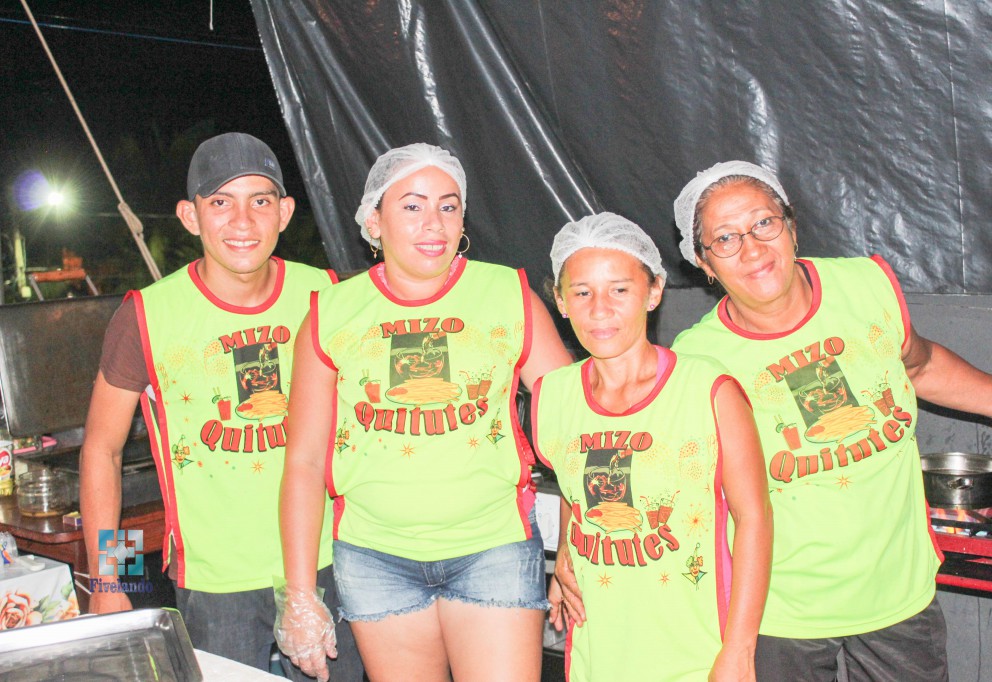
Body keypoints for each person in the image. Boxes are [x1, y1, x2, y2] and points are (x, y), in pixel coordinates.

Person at [669, 161, 992, 681]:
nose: (752, 247)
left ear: (792, 226)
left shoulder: (864, 287)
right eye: (724, 238)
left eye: (763, 223)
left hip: (896, 594)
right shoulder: (698, 360)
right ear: (703, 263)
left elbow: (921, 366)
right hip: (779, 613)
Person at [275, 143, 573, 682]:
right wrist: (300, 595)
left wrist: (574, 545)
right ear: (374, 221)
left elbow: (578, 430)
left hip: (493, 549)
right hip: (375, 560)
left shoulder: (507, 294)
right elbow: (304, 461)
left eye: (448, 206)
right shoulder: (331, 312)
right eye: (412, 205)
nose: (433, 223)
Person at [79, 132, 363, 681]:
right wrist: (109, 582)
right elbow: (102, 452)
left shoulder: (329, 295)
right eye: (220, 202)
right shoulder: (146, 316)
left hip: (330, 561)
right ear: (190, 216)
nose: (242, 221)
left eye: (260, 201)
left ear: (284, 213)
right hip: (213, 584)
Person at [534, 213, 771, 682]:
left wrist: (739, 649)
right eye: (582, 293)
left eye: (619, 290)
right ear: (560, 301)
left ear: (654, 291)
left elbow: (755, 518)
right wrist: (565, 551)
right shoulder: (552, 395)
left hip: (697, 655)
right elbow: (574, 487)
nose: (600, 310)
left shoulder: (707, 388)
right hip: (598, 655)